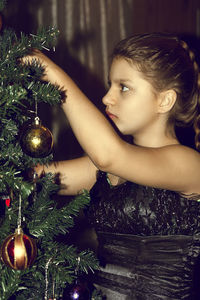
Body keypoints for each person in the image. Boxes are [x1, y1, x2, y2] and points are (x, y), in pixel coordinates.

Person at [26, 33, 200, 299]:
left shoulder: (190, 164)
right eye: (110, 85)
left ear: (164, 100)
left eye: (124, 87)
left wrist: (51, 74)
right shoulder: (105, 167)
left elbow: (110, 155)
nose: (107, 98)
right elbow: (34, 178)